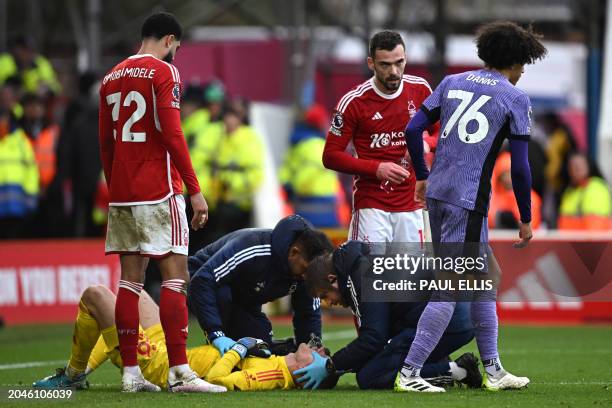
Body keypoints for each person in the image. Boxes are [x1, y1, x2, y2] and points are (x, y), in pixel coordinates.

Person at [395, 21, 547, 392]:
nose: (524, 70)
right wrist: (526, 217)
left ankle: (493, 371)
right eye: (524, 61)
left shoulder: (451, 82)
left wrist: (421, 174)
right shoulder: (514, 98)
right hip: (467, 201)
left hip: (439, 195)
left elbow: (414, 130)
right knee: (449, 288)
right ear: (514, 60)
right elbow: (521, 167)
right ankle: (410, 373)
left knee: (484, 284)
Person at [98, 12, 213, 392]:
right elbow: (172, 132)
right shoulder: (165, 73)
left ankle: (131, 374)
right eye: (176, 47)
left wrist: (117, 188)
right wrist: (194, 189)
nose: (175, 53)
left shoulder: (110, 78)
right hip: (160, 190)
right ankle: (180, 372)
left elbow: (106, 145)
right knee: (175, 279)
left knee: (130, 283)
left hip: (123, 194)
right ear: (169, 39)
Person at [32, 285, 337, 391]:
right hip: (173, 352)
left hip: (160, 366)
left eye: (321, 355)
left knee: (95, 295)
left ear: (304, 374)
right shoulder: (279, 361)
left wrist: (239, 348)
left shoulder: (273, 374)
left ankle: (73, 375)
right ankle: (82, 372)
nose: (319, 346)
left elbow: (219, 382)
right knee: (132, 295)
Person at [300, 240, 481, 390]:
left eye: (325, 295)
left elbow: (374, 338)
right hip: (458, 312)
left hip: (449, 319)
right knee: (373, 364)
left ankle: (458, 370)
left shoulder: (359, 276)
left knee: (371, 377)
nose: (329, 302)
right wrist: (345, 364)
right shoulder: (362, 261)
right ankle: (437, 362)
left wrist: (332, 365)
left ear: (332, 279)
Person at [322, 30, 439, 246]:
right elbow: (330, 156)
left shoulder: (420, 89)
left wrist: (425, 144)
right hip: (372, 204)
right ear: (371, 63)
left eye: (399, 62)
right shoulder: (354, 102)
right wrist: (376, 168)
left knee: (410, 277)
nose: (394, 71)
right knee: (369, 276)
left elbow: (441, 132)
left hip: (412, 203)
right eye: (385, 65)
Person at [188, 215, 333, 355]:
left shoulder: (305, 271)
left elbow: (308, 313)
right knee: (222, 296)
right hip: (200, 283)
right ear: (294, 253)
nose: (307, 276)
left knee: (262, 347)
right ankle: (210, 353)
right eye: (306, 269)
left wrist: (311, 350)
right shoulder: (253, 248)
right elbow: (202, 281)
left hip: (242, 300)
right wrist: (216, 334)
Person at [189, 100, 265, 248]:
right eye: (228, 115)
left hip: (236, 204)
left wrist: (230, 184)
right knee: (204, 239)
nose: (230, 120)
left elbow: (255, 175)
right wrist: (207, 190)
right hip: (213, 201)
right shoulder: (216, 134)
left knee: (224, 241)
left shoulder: (250, 139)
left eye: (235, 115)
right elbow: (198, 164)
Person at [280, 104, 344, 228]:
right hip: (321, 207)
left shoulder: (297, 144)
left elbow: (286, 172)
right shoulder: (318, 145)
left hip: (303, 206)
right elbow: (310, 175)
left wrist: (290, 189)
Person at [0, 107, 38, 239]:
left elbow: (31, 170)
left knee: (15, 245)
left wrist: (31, 198)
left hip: (16, 206)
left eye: (4, 119)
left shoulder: (21, 141)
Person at [558, 152, 611, 230]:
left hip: (590, 240)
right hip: (569, 239)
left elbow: (595, 226)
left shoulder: (596, 188)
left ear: (588, 166)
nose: (576, 169)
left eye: (580, 165)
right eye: (573, 166)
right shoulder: (569, 191)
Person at [490, 151, 542, 229]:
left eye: (510, 173)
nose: (507, 178)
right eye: (504, 174)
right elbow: (487, 220)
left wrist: (515, 223)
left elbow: (533, 225)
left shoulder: (530, 197)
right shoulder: (492, 197)